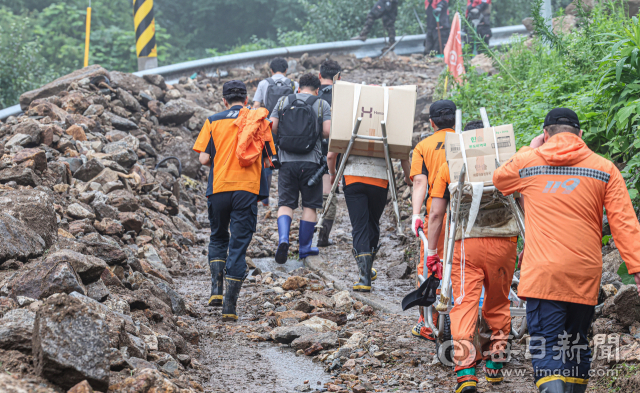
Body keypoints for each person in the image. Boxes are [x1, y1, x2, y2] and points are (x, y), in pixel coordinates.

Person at [493, 108, 640, 393]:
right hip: (584, 274)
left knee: (547, 344)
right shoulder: (603, 168)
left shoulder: (529, 162)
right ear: (581, 135)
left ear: (545, 134)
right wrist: (637, 269)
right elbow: (625, 224)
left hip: (544, 275)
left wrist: (530, 148)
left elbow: (500, 179)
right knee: (574, 342)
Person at [426, 120, 519, 393]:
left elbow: (436, 214)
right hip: (505, 241)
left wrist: (432, 252)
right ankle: (495, 366)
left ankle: (466, 372)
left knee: (465, 303)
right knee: (499, 301)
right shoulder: (507, 161)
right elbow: (523, 202)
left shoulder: (450, 166)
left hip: (467, 243)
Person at [192, 80, 274, 322]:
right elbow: (269, 161)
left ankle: (215, 291)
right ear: (247, 100)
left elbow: (204, 159)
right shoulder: (258, 120)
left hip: (218, 188)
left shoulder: (213, 120)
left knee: (218, 236)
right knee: (238, 246)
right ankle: (230, 307)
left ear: (224, 100)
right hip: (246, 190)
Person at [327, 151, 412, 292]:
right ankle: (367, 268)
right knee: (372, 222)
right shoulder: (388, 128)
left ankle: (364, 277)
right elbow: (402, 153)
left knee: (360, 226)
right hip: (379, 181)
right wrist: (408, 179)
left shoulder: (351, 127)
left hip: (353, 177)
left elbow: (331, 155)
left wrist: (332, 173)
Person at [270, 73, 331, 264]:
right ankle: (304, 248)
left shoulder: (283, 101)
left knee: (286, 203)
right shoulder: (321, 104)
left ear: (298, 87)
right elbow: (328, 132)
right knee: (310, 205)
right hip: (311, 162)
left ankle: (283, 239)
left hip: (286, 161)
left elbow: (272, 126)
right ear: (317, 89)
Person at [409, 100, 457, 341]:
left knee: (430, 265)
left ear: (431, 122)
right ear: (455, 120)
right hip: (464, 218)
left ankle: (427, 323)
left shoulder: (423, 146)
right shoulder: (465, 143)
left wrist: (416, 214)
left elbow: (420, 182)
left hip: (435, 217)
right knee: (458, 267)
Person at [317, 59, 341, 247]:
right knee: (330, 189)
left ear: (319, 75)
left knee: (311, 191)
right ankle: (323, 236)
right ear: (338, 77)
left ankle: (308, 233)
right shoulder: (343, 94)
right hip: (335, 148)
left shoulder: (310, 93)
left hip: (311, 148)